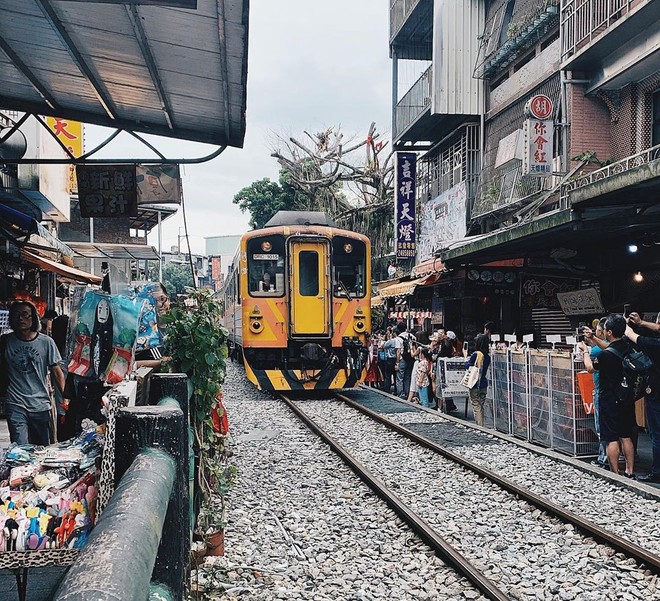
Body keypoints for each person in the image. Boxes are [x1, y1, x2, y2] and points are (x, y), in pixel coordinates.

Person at [1, 301, 65, 445]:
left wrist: (65, 398)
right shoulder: (5, 342)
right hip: (15, 402)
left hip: (40, 403)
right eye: (16, 315)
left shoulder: (46, 342)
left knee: (41, 447)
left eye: (25, 315)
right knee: (20, 446)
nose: (20, 319)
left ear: (33, 318)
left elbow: (56, 371)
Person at [581, 314, 636, 478]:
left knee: (611, 438)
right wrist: (593, 338)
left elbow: (590, 368)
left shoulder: (604, 356)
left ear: (609, 332)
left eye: (604, 329)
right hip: (626, 397)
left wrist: (585, 351)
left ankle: (615, 474)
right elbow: (609, 347)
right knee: (626, 436)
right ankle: (630, 472)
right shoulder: (627, 347)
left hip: (609, 400)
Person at [624, 312, 660, 482]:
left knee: (657, 434)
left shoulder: (654, 345)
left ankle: (657, 471)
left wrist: (625, 323)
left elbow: (630, 335)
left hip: (657, 396)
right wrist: (641, 322)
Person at [135, 283, 172, 371]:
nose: (159, 304)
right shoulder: (140, 334)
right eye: (153, 301)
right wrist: (164, 363)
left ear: (169, 300)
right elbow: (131, 365)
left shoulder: (177, 330)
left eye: (162, 299)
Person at [464, 322, 494, 426]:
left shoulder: (476, 354)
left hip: (475, 383)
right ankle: (481, 424)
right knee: (481, 405)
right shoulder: (487, 356)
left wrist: (465, 357)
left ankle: (480, 426)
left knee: (476, 405)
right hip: (483, 383)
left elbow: (468, 366)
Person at [396, 322, 416, 399]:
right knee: (408, 377)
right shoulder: (412, 336)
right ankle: (408, 393)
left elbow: (398, 351)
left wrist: (397, 363)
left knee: (400, 378)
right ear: (406, 328)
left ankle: (401, 394)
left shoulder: (398, 339)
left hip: (402, 359)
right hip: (410, 359)